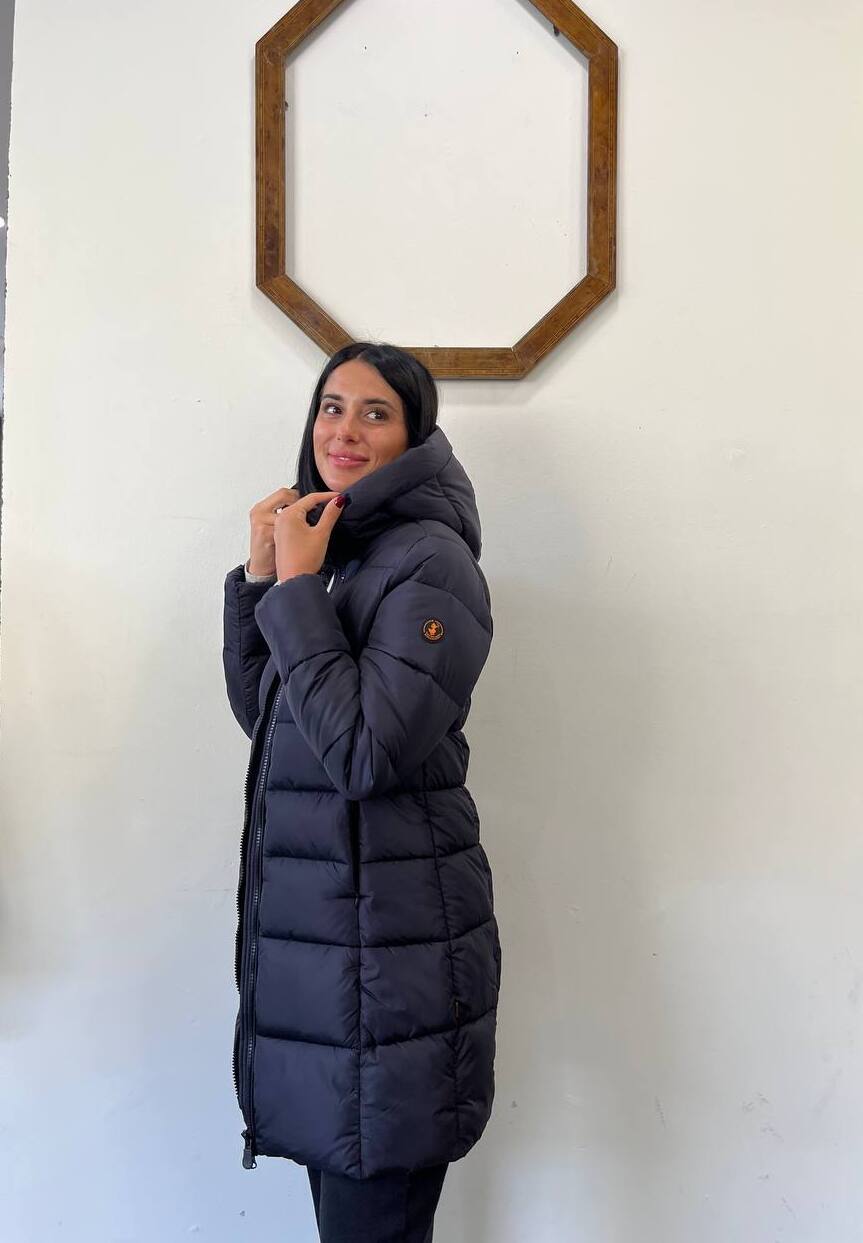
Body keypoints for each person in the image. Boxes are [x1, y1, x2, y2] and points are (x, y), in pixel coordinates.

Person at [222, 341, 501, 1243]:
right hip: (335, 960)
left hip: (388, 966)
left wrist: (300, 584)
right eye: (331, 406)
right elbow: (272, 721)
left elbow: (363, 755)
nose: (343, 430)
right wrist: (263, 579)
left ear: (413, 436)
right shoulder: (341, 547)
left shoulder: (431, 563)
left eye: (375, 412)